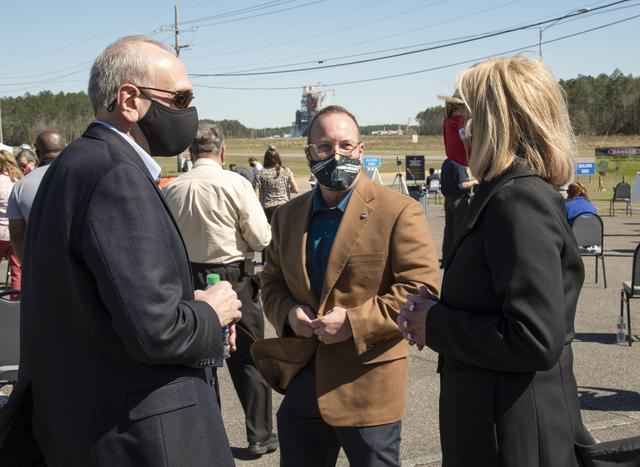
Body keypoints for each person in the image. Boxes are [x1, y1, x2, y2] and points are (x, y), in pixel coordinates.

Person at [0, 36, 241, 467]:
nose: (188, 111)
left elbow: (108, 302)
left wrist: (186, 305)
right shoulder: (115, 174)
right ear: (129, 100)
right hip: (140, 437)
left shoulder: (76, 163)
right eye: (180, 98)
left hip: (86, 423)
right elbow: (157, 333)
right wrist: (212, 312)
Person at [398, 56, 594, 466]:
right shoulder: (503, 193)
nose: (459, 128)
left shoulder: (517, 200)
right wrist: (440, 308)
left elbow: (533, 338)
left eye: (464, 116)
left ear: (495, 121)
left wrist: (435, 323)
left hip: (513, 436)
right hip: (496, 425)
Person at [253, 105, 440, 467]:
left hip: (368, 384)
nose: (336, 154)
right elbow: (271, 281)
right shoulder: (288, 215)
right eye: (324, 146)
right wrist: (289, 313)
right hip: (304, 380)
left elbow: (418, 288)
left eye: (345, 145)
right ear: (309, 153)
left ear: (360, 150)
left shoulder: (398, 211)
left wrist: (353, 323)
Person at [161, 123, 277, 456]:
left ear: (190, 152)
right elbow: (261, 237)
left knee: (199, 361)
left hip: (189, 280)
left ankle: (207, 436)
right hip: (233, 277)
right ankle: (260, 434)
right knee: (249, 358)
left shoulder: (172, 188)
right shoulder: (236, 184)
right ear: (222, 152)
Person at [8, 130, 67, 262]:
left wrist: (26, 265)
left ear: (37, 153)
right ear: (66, 148)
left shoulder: (21, 186)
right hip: (81, 265)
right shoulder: (83, 176)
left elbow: (17, 236)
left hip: (40, 264)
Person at [439, 95, 478, 264]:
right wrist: (475, 180)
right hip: (458, 200)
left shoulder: (448, 161)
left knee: (448, 229)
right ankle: (457, 256)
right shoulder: (459, 163)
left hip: (448, 198)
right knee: (458, 229)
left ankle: (446, 256)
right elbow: (463, 184)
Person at [253, 147, 299, 222]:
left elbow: (256, 196)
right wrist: (283, 190)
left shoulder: (260, 173)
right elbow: (296, 189)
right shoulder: (286, 171)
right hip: (285, 207)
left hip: (268, 209)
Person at [0, 150, 22, 292]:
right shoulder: (19, 180)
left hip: (0, 231)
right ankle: (16, 298)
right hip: (16, 230)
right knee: (16, 269)